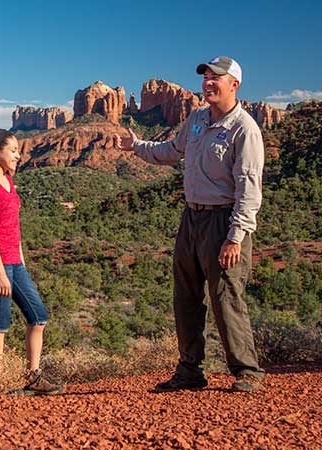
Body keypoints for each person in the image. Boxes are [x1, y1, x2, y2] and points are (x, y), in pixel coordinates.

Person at [114, 56, 266, 392]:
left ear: (234, 85)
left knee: (226, 295)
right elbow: (171, 150)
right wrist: (136, 146)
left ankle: (247, 371)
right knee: (185, 296)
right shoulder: (196, 118)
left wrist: (235, 237)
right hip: (191, 217)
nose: (208, 83)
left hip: (223, 220)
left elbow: (249, 190)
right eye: (206, 77)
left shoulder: (244, 129)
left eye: (217, 78)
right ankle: (190, 371)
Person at [0, 129, 63, 396]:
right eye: (13, 150)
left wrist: (20, 261)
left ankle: (33, 376)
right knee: (0, 322)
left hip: (14, 261)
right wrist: (0, 272)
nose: (18, 155)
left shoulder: (8, 180)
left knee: (38, 316)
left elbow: (13, 225)